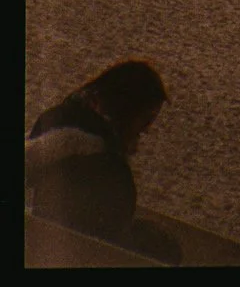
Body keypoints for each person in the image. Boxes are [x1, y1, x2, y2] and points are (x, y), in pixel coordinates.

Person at [26, 59, 180, 261]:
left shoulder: (88, 128)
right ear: (128, 107)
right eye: (147, 117)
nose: (147, 128)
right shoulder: (79, 137)